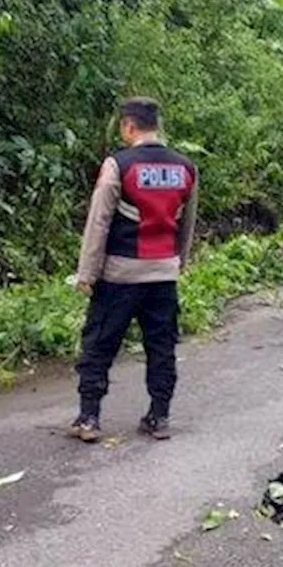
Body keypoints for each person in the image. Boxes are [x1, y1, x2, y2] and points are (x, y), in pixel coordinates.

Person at [70, 97, 199, 443]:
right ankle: (159, 416)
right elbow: (186, 223)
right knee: (161, 347)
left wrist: (87, 273)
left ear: (128, 126)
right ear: (157, 125)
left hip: (120, 275)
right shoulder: (185, 168)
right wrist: (179, 263)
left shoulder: (119, 165)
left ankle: (89, 418)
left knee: (99, 345)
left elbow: (98, 223)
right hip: (163, 275)